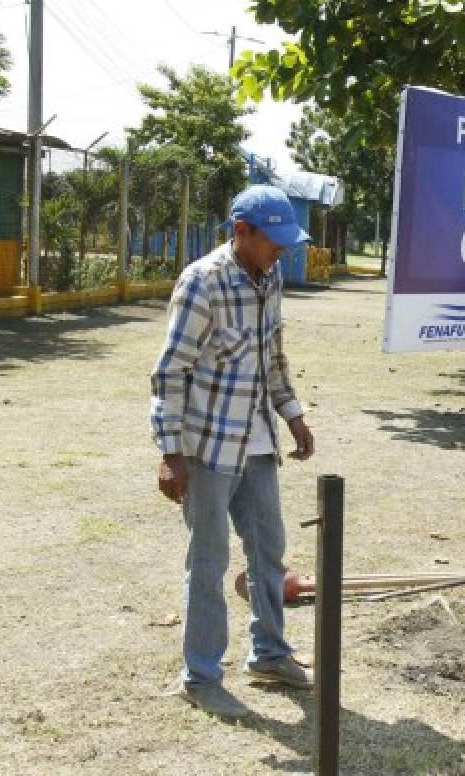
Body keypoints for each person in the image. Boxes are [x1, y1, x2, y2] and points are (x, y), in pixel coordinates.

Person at [150, 184, 316, 718]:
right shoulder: (202, 282)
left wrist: (293, 415)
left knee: (268, 549)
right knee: (209, 560)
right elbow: (170, 370)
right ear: (240, 232)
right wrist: (171, 452)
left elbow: (273, 357)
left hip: (258, 441)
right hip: (208, 446)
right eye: (274, 240)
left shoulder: (271, 277)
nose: (283, 250)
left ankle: (269, 654)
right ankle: (200, 676)